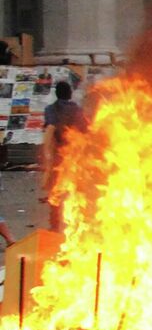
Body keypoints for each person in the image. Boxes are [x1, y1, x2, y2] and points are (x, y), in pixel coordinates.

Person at [43, 81, 87, 233]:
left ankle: (54, 225)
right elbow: (86, 131)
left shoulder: (51, 109)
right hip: (76, 155)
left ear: (57, 94)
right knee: (78, 190)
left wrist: (47, 157)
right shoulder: (78, 110)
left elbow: (50, 130)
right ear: (70, 94)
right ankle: (79, 224)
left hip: (59, 156)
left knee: (55, 190)